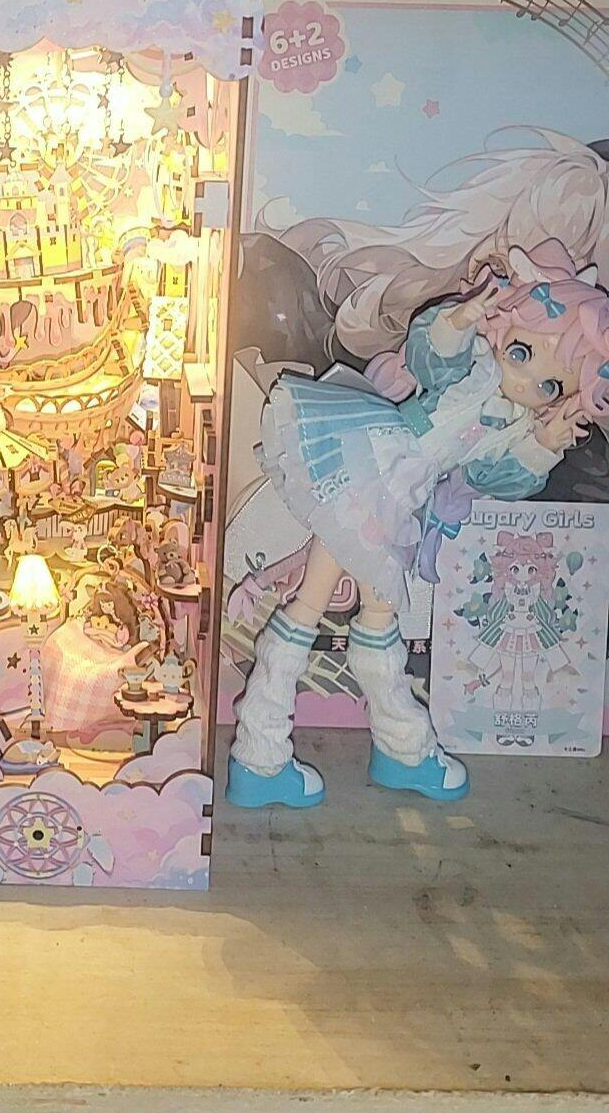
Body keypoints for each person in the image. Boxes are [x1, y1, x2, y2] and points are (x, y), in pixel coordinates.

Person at [229, 239, 609, 808]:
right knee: (317, 608)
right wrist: (460, 318)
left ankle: (390, 748)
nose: (526, 380)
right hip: (374, 466)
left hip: (400, 500)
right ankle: (265, 755)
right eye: (522, 352)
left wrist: (544, 445)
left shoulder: (516, 426)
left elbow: (494, 477)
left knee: (375, 615)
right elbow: (432, 358)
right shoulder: (476, 367)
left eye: (550, 386)